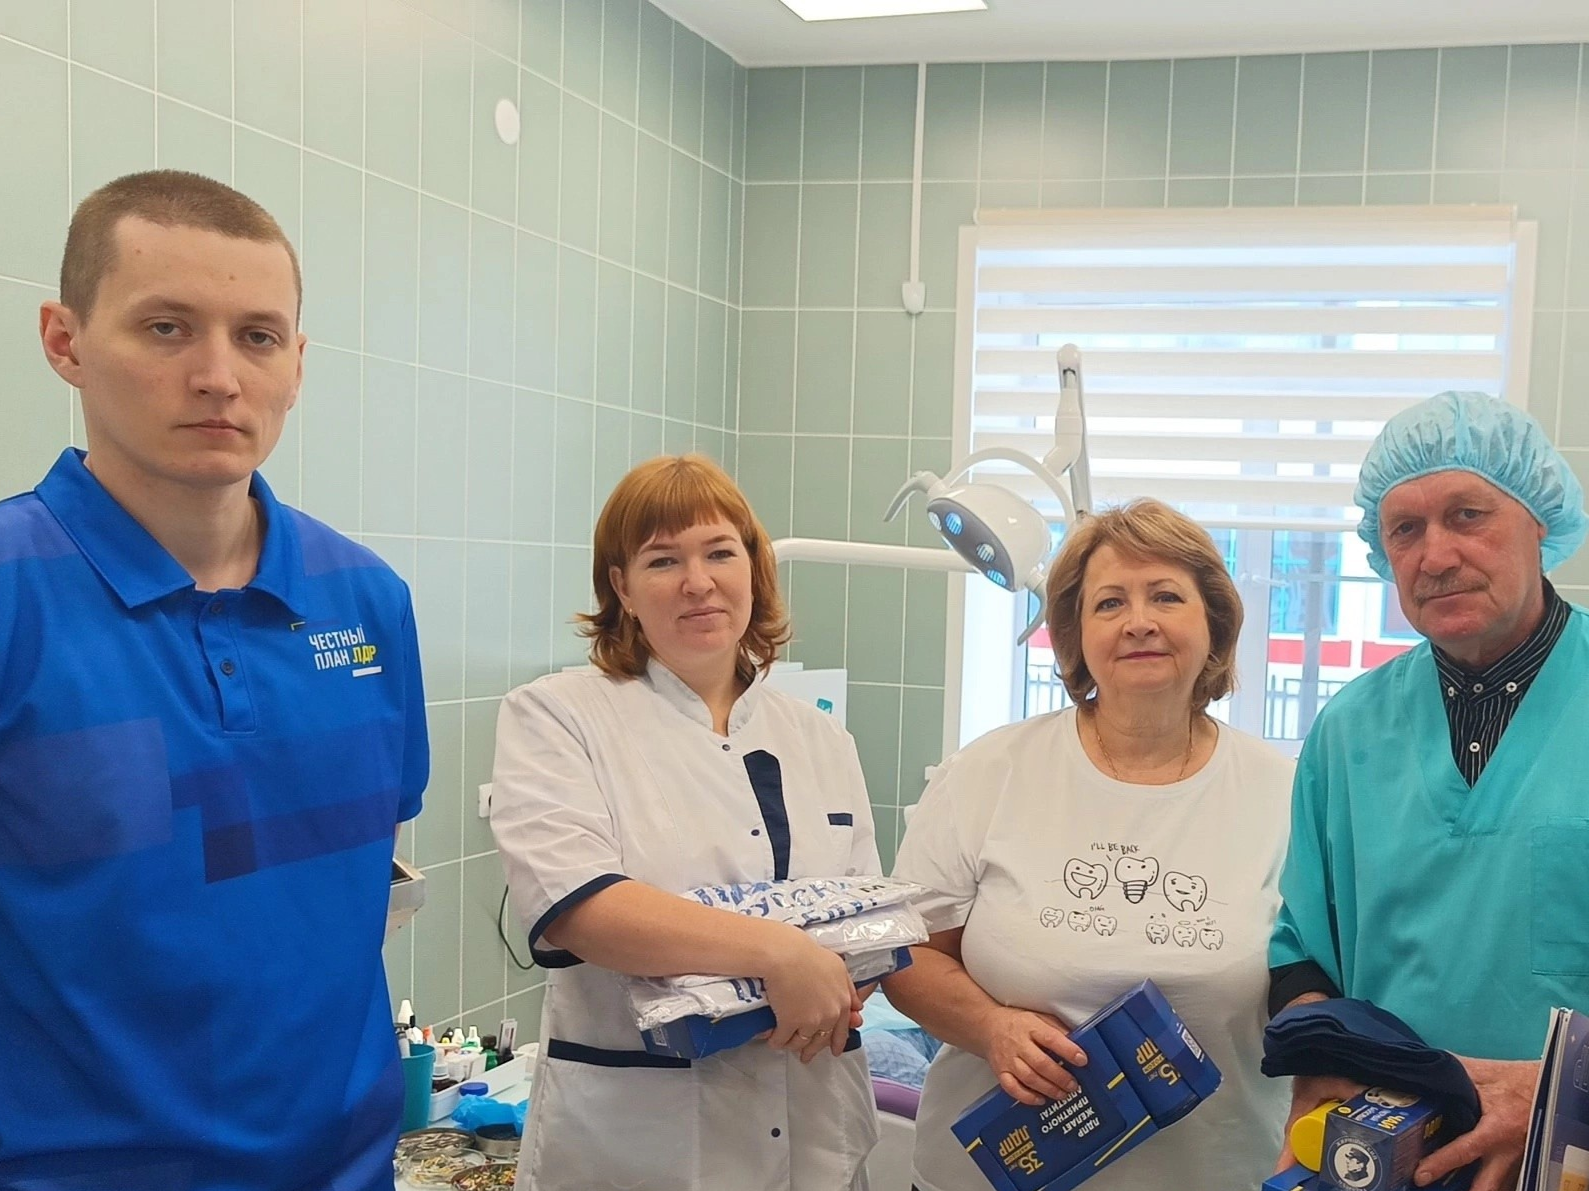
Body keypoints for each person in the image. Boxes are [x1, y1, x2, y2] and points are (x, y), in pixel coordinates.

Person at [0, 171, 428, 1189]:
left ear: (296, 364)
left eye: (258, 336)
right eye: (166, 328)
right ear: (64, 341)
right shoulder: (15, 596)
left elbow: (340, 904)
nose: (218, 377)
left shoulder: (367, 602)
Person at [489, 454, 882, 1191]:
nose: (697, 582)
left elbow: (861, 918)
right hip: (642, 1144)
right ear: (622, 588)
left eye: (719, 553)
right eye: (663, 560)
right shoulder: (556, 716)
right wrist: (781, 956)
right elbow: (583, 910)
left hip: (812, 1122)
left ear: (754, 568)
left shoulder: (822, 739)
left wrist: (841, 978)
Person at [886, 498, 1294, 1191]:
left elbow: (1317, 982)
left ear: (1214, 623)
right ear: (1074, 635)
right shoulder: (990, 771)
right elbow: (907, 954)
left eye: (1166, 596)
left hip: (1215, 1171)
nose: (1139, 621)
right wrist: (989, 1026)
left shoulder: (1282, 791)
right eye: (1110, 603)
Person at [1269, 389, 1589, 1191]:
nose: (1435, 555)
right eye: (1404, 529)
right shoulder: (1347, 731)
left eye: (1466, 515)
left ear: (1539, 519)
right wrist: (1315, 1057)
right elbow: (1300, 953)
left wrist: (1557, 1095)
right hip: (1389, 1159)